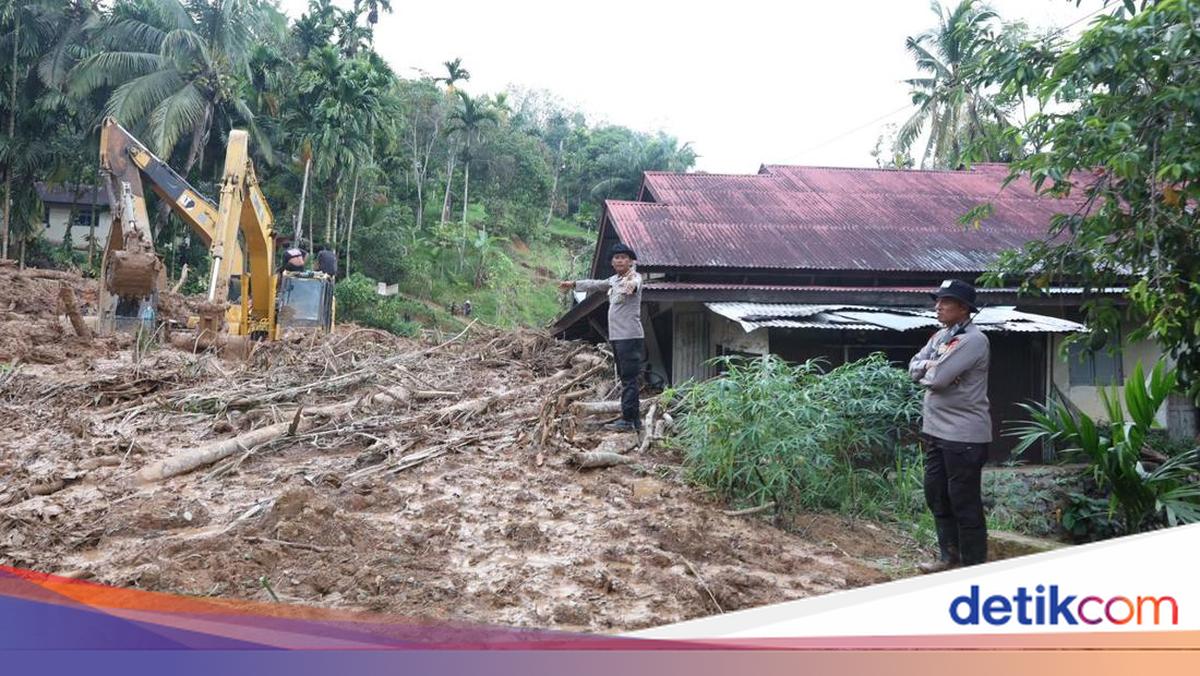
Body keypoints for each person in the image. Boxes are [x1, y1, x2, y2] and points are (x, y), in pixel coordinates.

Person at [908, 279, 992, 572]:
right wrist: (929, 366)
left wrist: (931, 370)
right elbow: (913, 366)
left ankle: (973, 566)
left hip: (964, 436)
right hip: (936, 432)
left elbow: (938, 379)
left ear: (964, 308)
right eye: (938, 301)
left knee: (964, 502)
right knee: (937, 495)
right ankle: (949, 558)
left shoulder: (974, 340)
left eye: (946, 302)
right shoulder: (941, 337)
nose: (938, 307)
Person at [559, 242, 644, 432]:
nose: (620, 260)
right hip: (617, 337)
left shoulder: (635, 277)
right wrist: (574, 284)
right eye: (616, 258)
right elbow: (596, 284)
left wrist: (630, 284)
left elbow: (635, 284)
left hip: (629, 336)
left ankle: (629, 420)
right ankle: (633, 420)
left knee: (629, 379)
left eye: (623, 257)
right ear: (612, 262)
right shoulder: (613, 280)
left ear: (630, 261)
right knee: (625, 378)